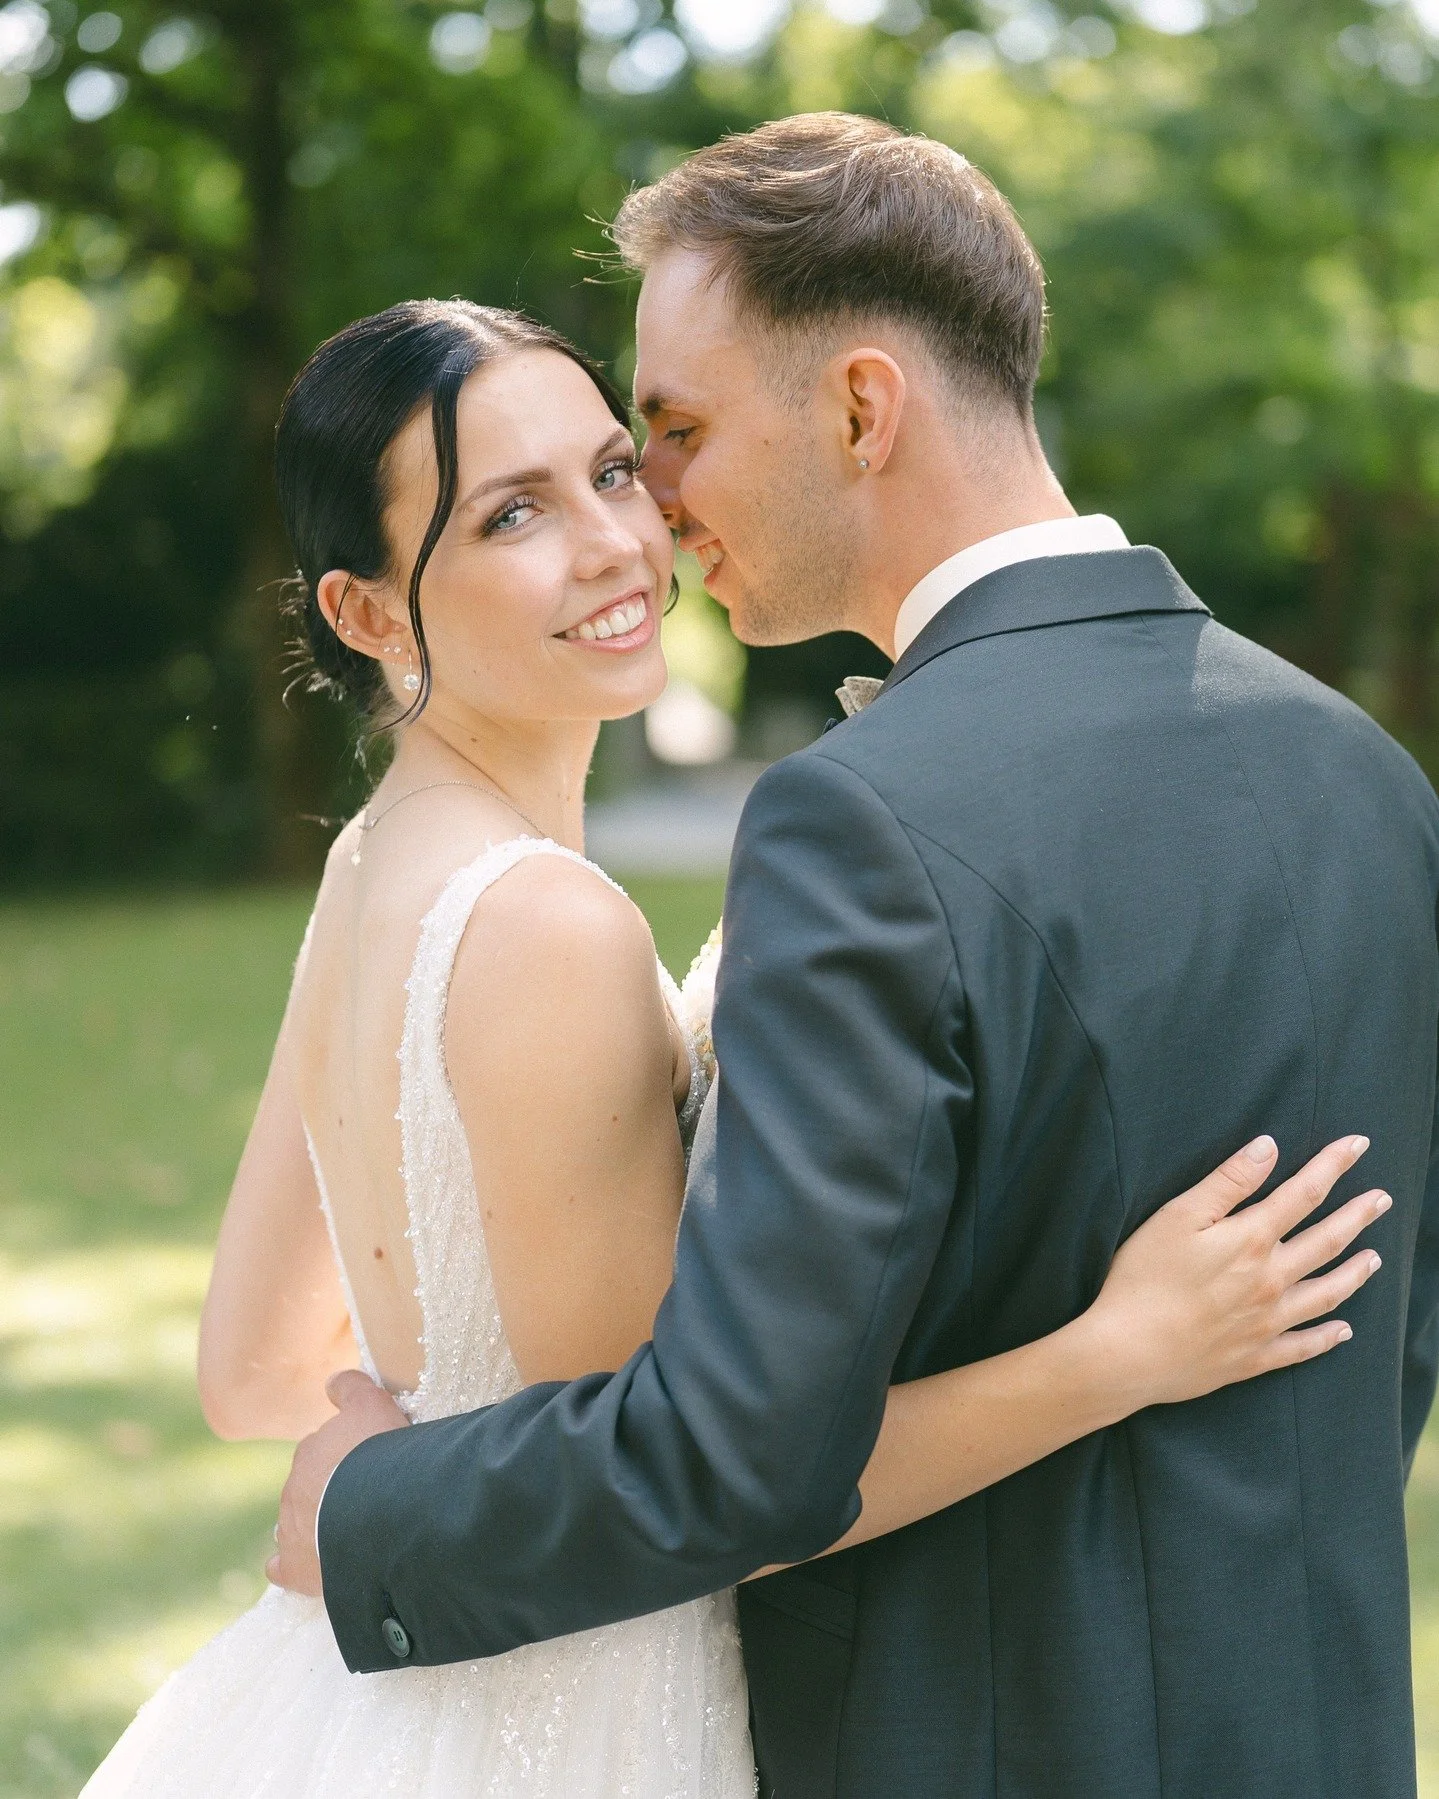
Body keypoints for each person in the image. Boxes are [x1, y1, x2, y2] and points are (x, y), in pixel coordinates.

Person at [272, 118, 1439, 1799]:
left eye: (670, 429)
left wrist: (378, 1507)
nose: (650, 506)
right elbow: (1383, 1327)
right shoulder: (1371, 780)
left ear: (861, 409)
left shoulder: (863, 820)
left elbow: (743, 1448)